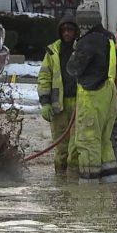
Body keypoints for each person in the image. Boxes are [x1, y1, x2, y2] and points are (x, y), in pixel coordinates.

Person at [66, 2, 117, 184]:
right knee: (104, 142)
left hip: (92, 97)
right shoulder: (109, 38)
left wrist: (75, 51)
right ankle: (110, 184)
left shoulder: (87, 41)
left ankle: (88, 190)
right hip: (109, 95)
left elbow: (73, 69)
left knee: (87, 142)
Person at [37, 14, 80, 177]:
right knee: (61, 147)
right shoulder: (52, 52)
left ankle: (73, 180)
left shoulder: (81, 49)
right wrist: (45, 102)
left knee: (76, 146)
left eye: (70, 30)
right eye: (64, 30)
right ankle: (61, 179)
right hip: (58, 107)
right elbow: (44, 77)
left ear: (76, 31)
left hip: (79, 104)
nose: (67, 33)